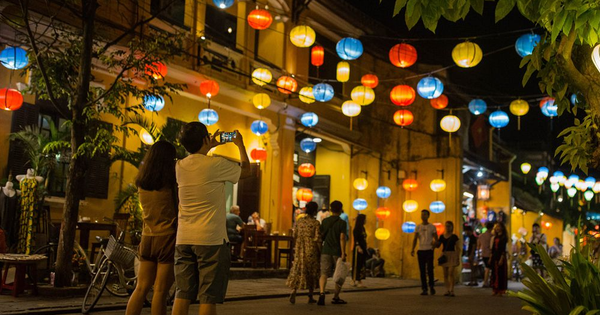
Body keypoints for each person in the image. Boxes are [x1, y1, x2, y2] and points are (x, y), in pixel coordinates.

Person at [172, 123, 251, 315]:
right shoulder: (216, 164)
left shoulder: (179, 166)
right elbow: (247, 171)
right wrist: (239, 144)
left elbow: (197, 158)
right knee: (208, 296)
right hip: (211, 240)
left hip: (183, 239)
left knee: (182, 293)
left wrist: (207, 145)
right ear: (205, 139)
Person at [126, 141, 178, 315]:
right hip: (167, 237)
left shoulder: (142, 182)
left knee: (140, 288)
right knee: (160, 291)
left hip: (147, 237)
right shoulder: (170, 183)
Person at [286, 201, 321, 304]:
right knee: (312, 271)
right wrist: (320, 251)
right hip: (311, 249)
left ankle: (293, 291)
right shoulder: (315, 223)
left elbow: (294, 235)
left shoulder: (299, 221)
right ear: (315, 211)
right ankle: (310, 296)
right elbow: (317, 238)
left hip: (299, 249)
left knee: (298, 269)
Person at [318, 200, 348, 306]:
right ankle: (336, 297)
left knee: (323, 273)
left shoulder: (325, 221)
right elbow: (342, 238)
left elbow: (321, 235)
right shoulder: (342, 223)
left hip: (325, 250)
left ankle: (322, 293)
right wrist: (343, 253)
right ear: (340, 210)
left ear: (330, 210)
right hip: (337, 251)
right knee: (339, 274)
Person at [411, 209, 438, 295]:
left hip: (429, 250)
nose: (423, 216)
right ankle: (424, 288)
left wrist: (433, 247)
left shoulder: (432, 227)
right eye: (422, 214)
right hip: (421, 250)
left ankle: (431, 286)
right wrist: (412, 249)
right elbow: (415, 238)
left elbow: (436, 239)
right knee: (422, 270)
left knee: (430, 269)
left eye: (425, 214)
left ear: (428, 216)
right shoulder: (418, 227)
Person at [435, 221, 461, 297]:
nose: (447, 227)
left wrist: (457, 256)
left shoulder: (454, 236)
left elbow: (458, 247)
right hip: (444, 255)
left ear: (452, 227)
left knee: (451, 272)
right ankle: (447, 290)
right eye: (446, 226)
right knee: (445, 274)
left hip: (452, 254)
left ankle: (452, 290)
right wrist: (434, 241)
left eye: (449, 226)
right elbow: (438, 245)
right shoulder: (442, 236)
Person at [490, 222, 509, 297]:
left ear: (502, 227)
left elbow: (503, 249)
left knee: (501, 273)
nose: (497, 228)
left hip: (501, 257)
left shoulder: (504, 238)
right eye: (496, 227)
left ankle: (501, 290)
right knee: (494, 273)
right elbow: (493, 249)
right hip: (495, 256)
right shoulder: (495, 237)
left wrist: (501, 258)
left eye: (498, 227)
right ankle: (495, 289)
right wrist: (491, 257)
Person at [351, 214, 368, 287]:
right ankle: (356, 279)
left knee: (362, 264)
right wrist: (358, 247)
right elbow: (356, 239)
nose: (366, 221)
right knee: (357, 264)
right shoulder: (357, 229)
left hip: (363, 248)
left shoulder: (362, 228)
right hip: (358, 249)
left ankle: (359, 279)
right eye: (365, 219)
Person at [478, 222, 494, 287]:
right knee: (489, 268)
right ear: (492, 227)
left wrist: (479, 253)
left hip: (483, 253)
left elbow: (478, 245)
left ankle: (486, 281)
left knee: (487, 267)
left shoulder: (481, 235)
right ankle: (486, 282)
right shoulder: (491, 236)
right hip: (489, 254)